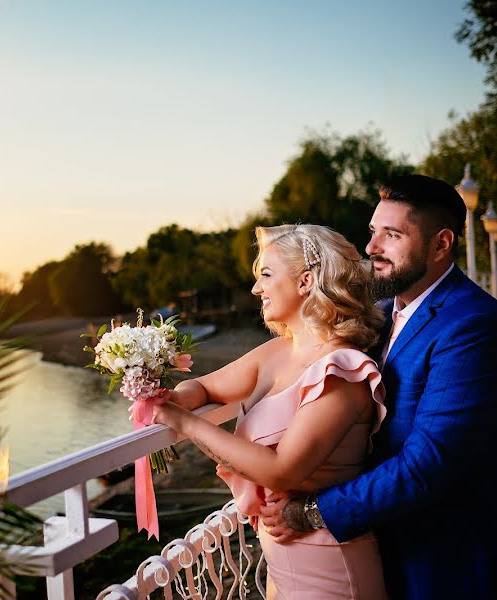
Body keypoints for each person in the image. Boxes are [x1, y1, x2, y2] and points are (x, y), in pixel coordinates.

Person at [259, 174, 497, 599]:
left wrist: (311, 512)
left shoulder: (475, 328)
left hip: (443, 565)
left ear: (441, 245)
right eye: (372, 232)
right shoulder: (382, 314)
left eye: (392, 234)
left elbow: (426, 465)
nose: (371, 248)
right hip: (378, 551)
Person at [151, 223, 389, 598]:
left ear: (306, 281)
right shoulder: (276, 353)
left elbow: (282, 472)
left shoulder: (342, 369)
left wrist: (186, 424)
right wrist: (176, 397)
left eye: (265, 275)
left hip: (330, 563)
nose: (255, 288)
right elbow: (204, 386)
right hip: (280, 560)